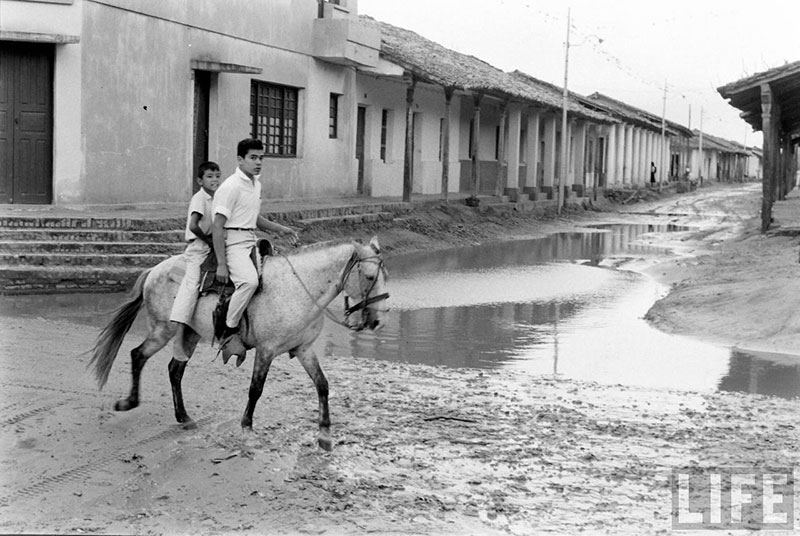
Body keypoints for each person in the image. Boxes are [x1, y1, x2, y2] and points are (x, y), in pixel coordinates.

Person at [212, 138, 298, 365]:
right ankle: (229, 331)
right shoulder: (230, 186)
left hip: (250, 239)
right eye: (253, 158)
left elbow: (254, 217)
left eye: (261, 158)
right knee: (249, 283)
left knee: (275, 279)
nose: (258, 162)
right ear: (240, 159)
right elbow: (218, 226)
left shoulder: (255, 184)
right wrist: (222, 263)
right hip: (233, 242)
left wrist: (280, 229)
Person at [169, 161, 221, 361]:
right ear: (200, 180)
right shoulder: (200, 198)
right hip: (199, 247)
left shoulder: (218, 198)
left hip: (214, 245)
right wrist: (209, 239)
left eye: (217, 175)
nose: (214, 179)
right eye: (209, 176)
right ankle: (179, 337)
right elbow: (193, 225)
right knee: (191, 285)